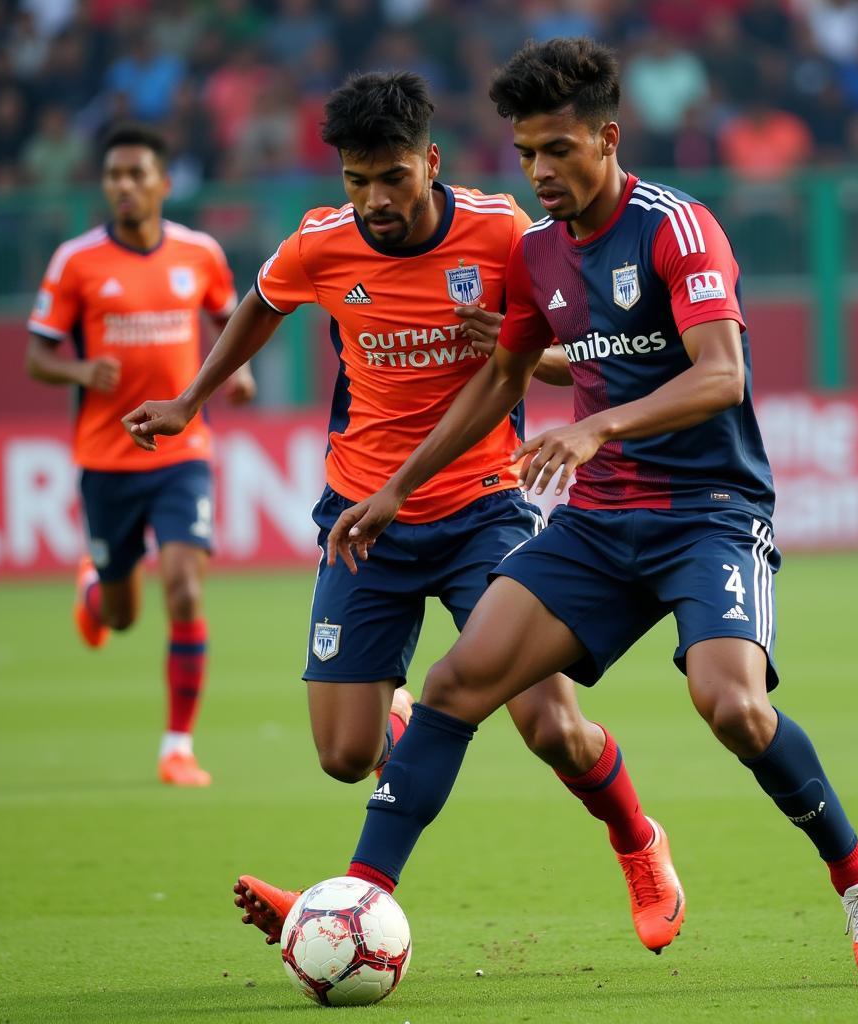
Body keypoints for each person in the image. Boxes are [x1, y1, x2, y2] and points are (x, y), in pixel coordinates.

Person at [309, 38, 858, 984]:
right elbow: (502, 379)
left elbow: (722, 375)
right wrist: (395, 490)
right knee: (460, 686)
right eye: (526, 155)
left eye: (558, 149)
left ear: (608, 138)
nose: (541, 172)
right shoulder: (537, 254)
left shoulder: (679, 227)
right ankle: (355, 901)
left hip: (709, 511)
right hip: (598, 522)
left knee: (733, 707)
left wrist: (599, 426)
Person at [122, 72, 685, 955]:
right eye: (356, 181)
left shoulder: (502, 231)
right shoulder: (320, 243)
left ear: (429, 161)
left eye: (392, 177)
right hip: (363, 515)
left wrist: (506, 354)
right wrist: (192, 399)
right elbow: (261, 305)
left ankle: (639, 844)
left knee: (550, 725)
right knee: (344, 756)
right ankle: (404, 745)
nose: (376, 200)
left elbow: (565, 357)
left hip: (485, 506)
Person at [26, 123, 256, 787]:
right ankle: (96, 591)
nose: (122, 186)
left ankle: (177, 747)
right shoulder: (76, 261)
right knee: (124, 615)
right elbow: (36, 355)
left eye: (136, 174)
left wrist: (233, 376)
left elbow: (227, 323)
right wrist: (79, 372)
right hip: (105, 458)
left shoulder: (200, 253)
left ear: (162, 182)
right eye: (113, 176)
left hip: (183, 452)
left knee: (184, 586)